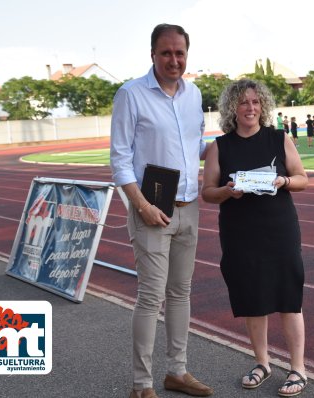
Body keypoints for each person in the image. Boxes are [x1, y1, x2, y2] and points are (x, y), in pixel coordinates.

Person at [110, 23, 213, 398]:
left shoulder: (194, 93)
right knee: (151, 297)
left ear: (187, 54)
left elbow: (196, 145)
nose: (174, 60)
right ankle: (141, 385)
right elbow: (120, 161)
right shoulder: (131, 95)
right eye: (166, 53)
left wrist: (234, 144)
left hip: (189, 207)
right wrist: (142, 206)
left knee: (181, 293)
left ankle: (178, 372)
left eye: (180, 53)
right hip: (152, 211)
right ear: (152, 54)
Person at [201, 79, 309, 397]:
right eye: (244, 102)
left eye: (256, 102)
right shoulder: (220, 146)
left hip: (279, 229)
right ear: (232, 108)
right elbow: (207, 192)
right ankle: (262, 363)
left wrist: (284, 180)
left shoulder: (279, 138)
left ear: (263, 106)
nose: (250, 108)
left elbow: (303, 179)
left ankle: (298, 369)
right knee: (253, 300)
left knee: (289, 298)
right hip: (239, 232)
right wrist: (227, 191)